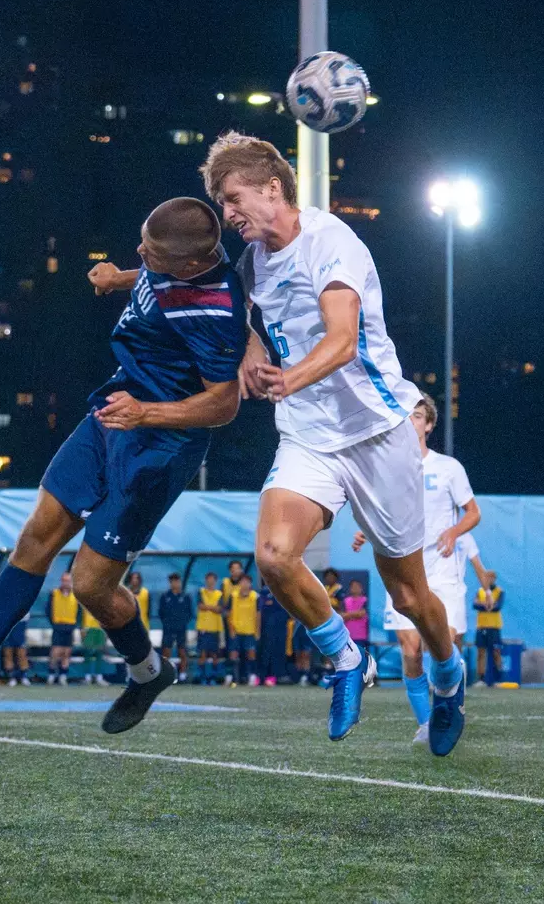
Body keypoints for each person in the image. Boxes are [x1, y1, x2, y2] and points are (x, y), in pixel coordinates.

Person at [0, 196, 247, 738]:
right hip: (113, 413)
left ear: (184, 265)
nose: (139, 250)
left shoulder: (217, 311)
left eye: (148, 250)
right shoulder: (173, 267)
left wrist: (147, 413)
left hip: (161, 448)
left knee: (89, 585)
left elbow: (224, 404)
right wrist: (120, 278)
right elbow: (158, 278)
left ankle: (148, 673)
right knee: (36, 534)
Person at [204, 133, 468, 755]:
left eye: (234, 198)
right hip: (309, 438)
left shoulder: (332, 242)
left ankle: (449, 677)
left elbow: (343, 339)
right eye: (221, 204)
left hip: (379, 433)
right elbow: (239, 304)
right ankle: (346, 659)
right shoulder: (252, 261)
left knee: (409, 593)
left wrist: (285, 377)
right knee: (272, 555)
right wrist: (250, 347)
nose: (228, 214)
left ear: (273, 189)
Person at [352, 396, 480, 742]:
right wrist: (366, 528)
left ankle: (449, 699)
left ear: (429, 425)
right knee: (410, 651)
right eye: (406, 415)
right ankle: (428, 724)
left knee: (442, 643)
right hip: (403, 570)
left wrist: (453, 531)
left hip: (441, 570)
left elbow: (473, 512)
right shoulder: (387, 469)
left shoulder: (449, 468)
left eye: (418, 415)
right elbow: (379, 511)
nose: (411, 420)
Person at [45, 571, 81, 685]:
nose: (66, 583)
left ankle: (63, 676)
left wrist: (75, 624)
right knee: (55, 652)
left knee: (67, 652)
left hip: (70, 626)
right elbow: (48, 609)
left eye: (68, 581)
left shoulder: (76, 595)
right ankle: (51, 674)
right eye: (64, 580)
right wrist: (54, 623)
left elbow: (79, 612)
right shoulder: (54, 593)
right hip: (58, 625)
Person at [157, 573, 195, 681]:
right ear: (170, 583)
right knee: (166, 652)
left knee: (182, 651)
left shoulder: (185, 596)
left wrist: (182, 623)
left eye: (177, 581)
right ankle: (165, 675)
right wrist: (167, 623)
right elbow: (161, 613)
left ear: (180, 582)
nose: (175, 583)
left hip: (181, 629)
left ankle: (182, 674)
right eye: (172, 581)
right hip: (168, 628)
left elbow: (189, 613)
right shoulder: (165, 596)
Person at [227, 563, 260, 685]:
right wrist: (231, 629)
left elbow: (258, 616)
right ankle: (231, 677)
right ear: (239, 584)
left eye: (247, 582)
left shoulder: (255, 596)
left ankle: (251, 676)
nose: (245, 584)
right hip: (236, 630)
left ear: (250, 584)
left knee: (251, 654)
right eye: (242, 582)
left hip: (250, 631)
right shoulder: (233, 596)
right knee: (233, 654)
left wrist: (257, 631)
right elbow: (229, 614)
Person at [258, 577, 293, 685]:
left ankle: (279, 675)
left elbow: (289, 608)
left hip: (281, 627)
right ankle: (265, 676)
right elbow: (263, 608)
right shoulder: (263, 592)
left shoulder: (284, 591)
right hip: (267, 627)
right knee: (266, 651)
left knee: (280, 650)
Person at [474, 570, 506, 686]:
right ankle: (481, 679)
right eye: (486, 578)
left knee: (496, 652)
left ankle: (498, 679)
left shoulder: (500, 591)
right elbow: (474, 605)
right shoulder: (480, 591)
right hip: (481, 626)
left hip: (494, 627)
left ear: (494, 579)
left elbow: (498, 607)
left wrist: (482, 604)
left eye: (491, 578)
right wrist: (488, 604)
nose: (488, 580)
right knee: (480, 653)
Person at [194, 571, 226, 684]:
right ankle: (202, 677)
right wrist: (213, 608)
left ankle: (214, 677)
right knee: (202, 653)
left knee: (214, 654)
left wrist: (208, 607)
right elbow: (200, 606)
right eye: (208, 579)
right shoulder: (201, 592)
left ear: (215, 581)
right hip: (203, 628)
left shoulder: (219, 594)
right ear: (206, 580)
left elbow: (220, 609)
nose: (210, 581)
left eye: (212, 579)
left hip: (215, 628)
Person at [81, 607, 110, 685]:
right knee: (88, 654)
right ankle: (87, 678)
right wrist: (83, 630)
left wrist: (106, 631)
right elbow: (80, 617)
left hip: (100, 630)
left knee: (99, 655)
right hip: (88, 629)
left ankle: (99, 678)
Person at [0, 612, 31, 686]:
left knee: (22, 652)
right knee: (8, 652)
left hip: (20, 623)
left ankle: (24, 676)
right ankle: (11, 677)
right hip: (7, 623)